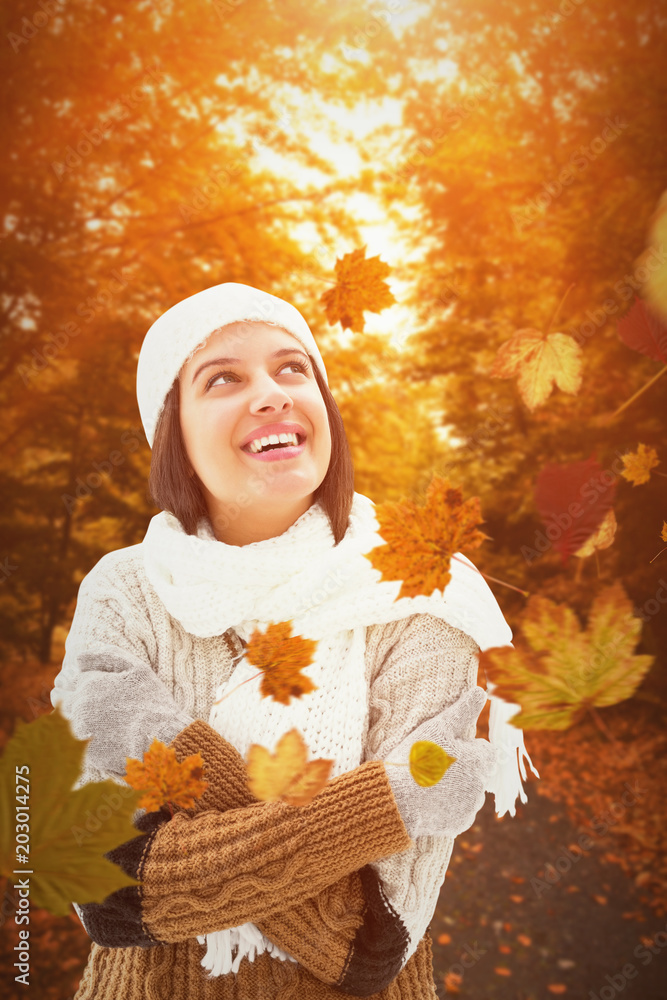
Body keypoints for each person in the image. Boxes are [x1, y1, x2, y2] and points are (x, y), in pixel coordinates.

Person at [51, 281, 538, 1000]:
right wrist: (387, 802)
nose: (273, 394)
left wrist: (177, 848)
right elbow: (105, 885)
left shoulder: (422, 592)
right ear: (171, 432)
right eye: (223, 378)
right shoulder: (124, 592)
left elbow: (370, 940)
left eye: (292, 368)